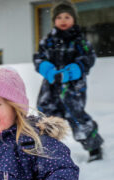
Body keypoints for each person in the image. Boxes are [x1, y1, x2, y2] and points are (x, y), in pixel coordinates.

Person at [33, 0, 103, 162]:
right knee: (46, 118)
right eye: (59, 17)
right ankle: (48, 151)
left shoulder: (80, 40)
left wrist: (72, 71)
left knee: (76, 116)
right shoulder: (48, 40)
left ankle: (93, 147)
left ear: (74, 20)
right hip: (50, 87)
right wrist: (48, 70)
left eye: (67, 16)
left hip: (73, 88)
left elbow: (88, 58)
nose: (63, 20)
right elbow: (39, 58)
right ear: (54, 21)